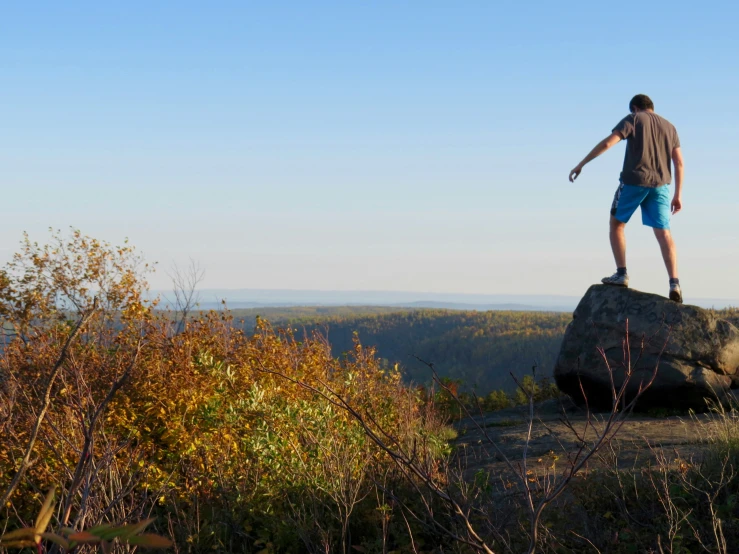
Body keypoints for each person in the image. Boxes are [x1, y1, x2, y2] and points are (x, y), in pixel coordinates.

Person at [569, 94, 684, 303]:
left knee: (616, 224)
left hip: (634, 181)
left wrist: (582, 163)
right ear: (652, 107)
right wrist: (677, 195)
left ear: (634, 108)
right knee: (664, 233)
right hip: (661, 185)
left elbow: (607, 143)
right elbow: (679, 163)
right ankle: (674, 282)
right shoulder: (670, 127)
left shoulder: (633, 119)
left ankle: (621, 273)